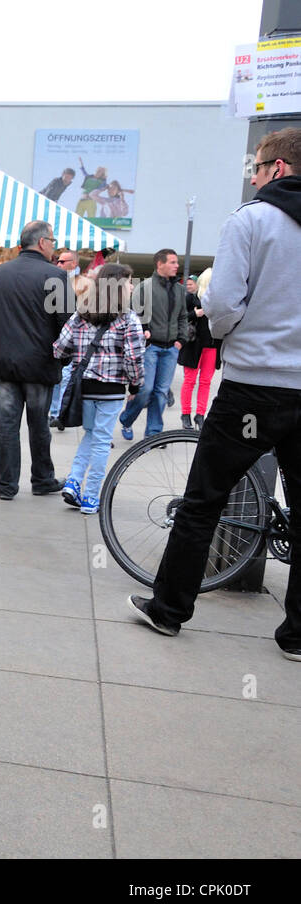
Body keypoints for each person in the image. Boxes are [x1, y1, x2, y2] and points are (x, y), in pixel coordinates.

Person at [129, 127, 301, 663]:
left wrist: (229, 328)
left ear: (276, 169)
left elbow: (223, 303)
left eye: (256, 167)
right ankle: (297, 636)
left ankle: (169, 609)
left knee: (203, 501)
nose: (252, 177)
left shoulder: (251, 220)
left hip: (254, 384)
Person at [0, 221, 70, 499]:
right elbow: (65, 323)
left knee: (6, 428)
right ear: (43, 242)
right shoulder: (55, 275)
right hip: (40, 363)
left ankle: (6, 485)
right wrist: (62, 358)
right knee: (39, 425)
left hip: (6, 364)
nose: (54, 247)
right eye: (53, 241)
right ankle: (42, 479)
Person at [53, 264, 144, 513]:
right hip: (111, 388)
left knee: (91, 434)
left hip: (84, 387)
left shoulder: (81, 313)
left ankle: (73, 481)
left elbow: (59, 348)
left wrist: (78, 356)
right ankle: (92, 496)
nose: (132, 286)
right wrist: (136, 383)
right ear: (117, 287)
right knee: (103, 440)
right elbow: (134, 358)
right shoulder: (128, 319)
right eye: (128, 282)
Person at [118, 249, 189, 440]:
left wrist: (181, 340)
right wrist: (145, 337)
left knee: (161, 393)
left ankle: (153, 434)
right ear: (160, 264)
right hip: (150, 347)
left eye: (176, 262)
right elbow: (134, 316)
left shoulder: (180, 290)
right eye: (172, 262)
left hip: (171, 348)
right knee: (145, 390)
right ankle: (126, 419)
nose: (176, 266)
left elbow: (183, 317)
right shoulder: (144, 287)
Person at [177, 272, 218, 430]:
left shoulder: (217, 302)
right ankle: (185, 414)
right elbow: (179, 318)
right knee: (190, 381)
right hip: (194, 346)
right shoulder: (191, 298)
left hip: (212, 346)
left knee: (206, 382)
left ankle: (200, 414)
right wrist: (195, 313)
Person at [48, 248, 81, 422]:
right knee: (58, 377)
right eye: (58, 261)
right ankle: (55, 412)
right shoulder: (55, 281)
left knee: (67, 376)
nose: (58, 264)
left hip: (76, 338)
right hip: (59, 338)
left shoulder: (83, 284)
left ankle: (60, 412)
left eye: (62, 261)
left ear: (73, 263)